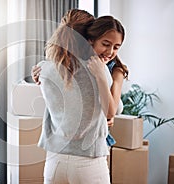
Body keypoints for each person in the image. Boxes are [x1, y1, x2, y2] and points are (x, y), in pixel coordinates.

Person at [35, 9, 122, 184]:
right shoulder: (98, 70)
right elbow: (114, 110)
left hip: (54, 161)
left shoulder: (44, 69)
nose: (110, 50)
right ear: (88, 38)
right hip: (88, 162)